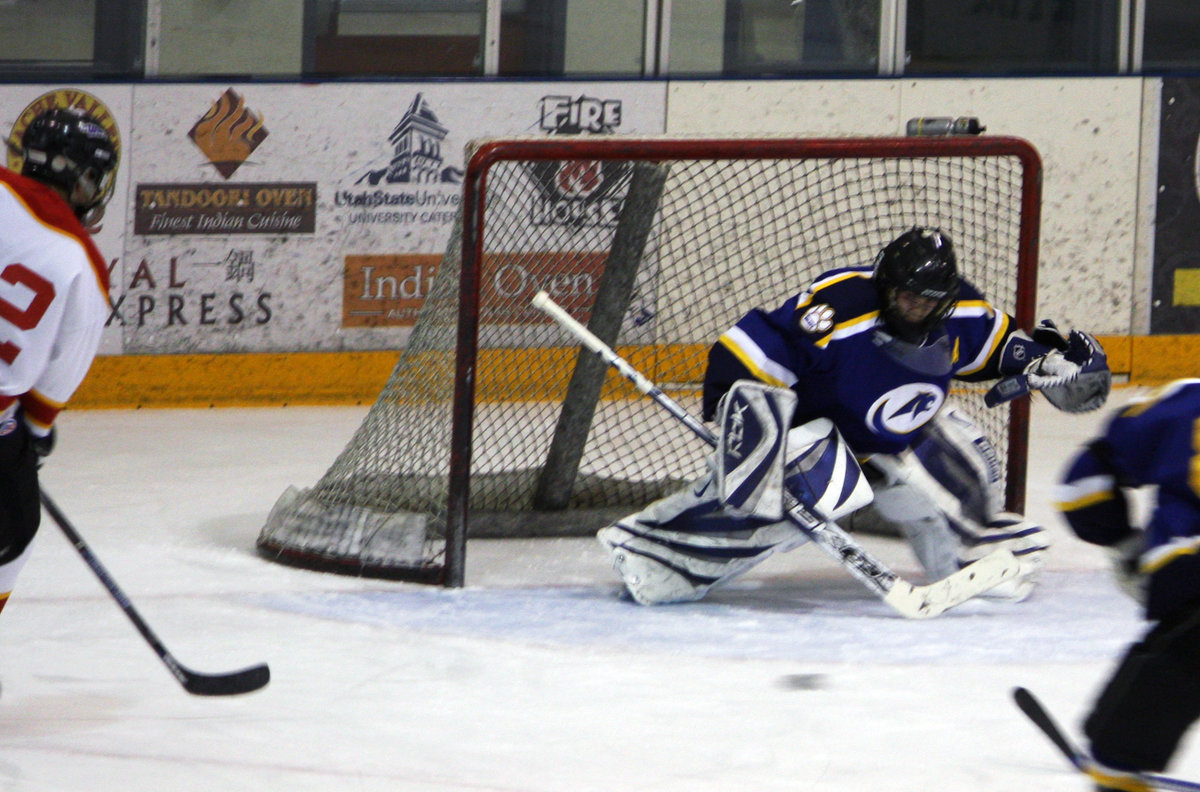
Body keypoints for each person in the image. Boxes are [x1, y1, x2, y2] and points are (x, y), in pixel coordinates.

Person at [597, 226, 1111, 606]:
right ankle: (657, 550)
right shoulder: (838, 309)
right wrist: (754, 426)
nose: (916, 308)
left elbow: (1004, 348)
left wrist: (1050, 363)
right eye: (906, 296)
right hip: (816, 436)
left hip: (899, 437)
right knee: (809, 487)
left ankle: (971, 551)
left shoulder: (960, 311)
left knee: (961, 456)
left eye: (928, 300)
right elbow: (748, 351)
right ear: (885, 285)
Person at [1054, 380, 1200, 792]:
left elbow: (1080, 485)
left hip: (1187, 568)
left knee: (1175, 659)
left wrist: (1120, 540)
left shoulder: (1183, 398)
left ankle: (1115, 762)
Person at [0, 107, 117, 617]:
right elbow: (50, 393)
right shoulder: (83, 265)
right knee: (12, 528)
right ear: (81, 178)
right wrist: (36, 432)